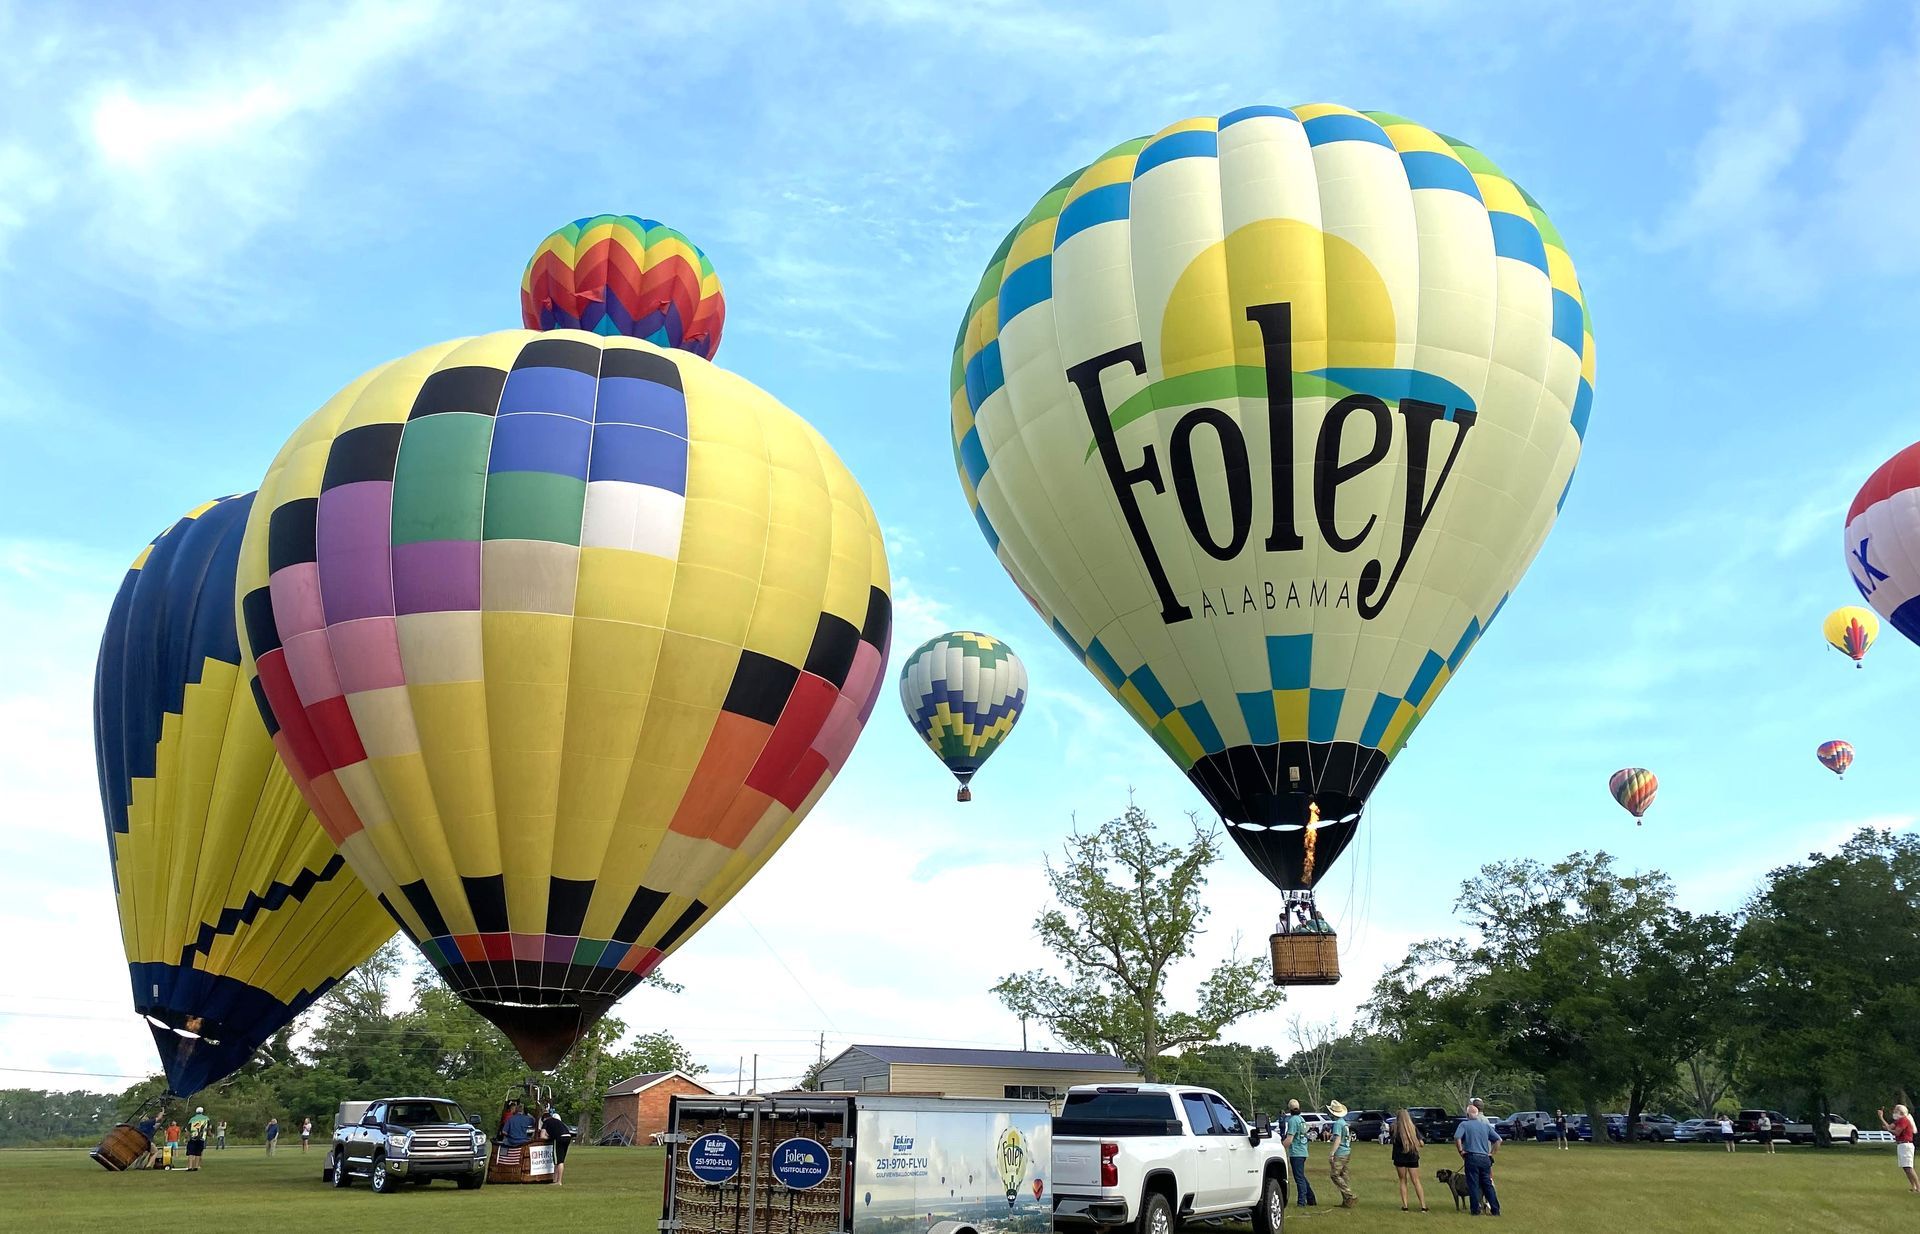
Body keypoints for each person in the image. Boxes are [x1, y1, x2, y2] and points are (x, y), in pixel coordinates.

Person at [1452, 1101, 1501, 1217]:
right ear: (1478, 1114)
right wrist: (1491, 1153)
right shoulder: (1485, 1126)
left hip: (1472, 1157)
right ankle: (1495, 1209)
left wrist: (1461, 1151)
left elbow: (1457, 1137)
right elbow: (1498, 1140)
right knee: (1487, 1184)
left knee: (1473, 1184)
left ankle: (1475, 1209)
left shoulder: (1464, 1125)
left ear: (1468, 1115)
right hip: (1485, 1158)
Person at [1282, 1099, 1317, 1208]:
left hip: (1296, 1152)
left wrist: (1281, 1147)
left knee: (1299, 1178)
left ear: (1290, 1109)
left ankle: (1301, 1202)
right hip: (1303, 1150)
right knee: (1301, 1176)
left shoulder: (1293, 1120)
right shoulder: (1301, 1119)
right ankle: (1311, 1199)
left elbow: (1290, 1138)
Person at [1390, 1109, 1427, 1213]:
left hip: (1399, 1157)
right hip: (1412, 1156)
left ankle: (1405, 1206)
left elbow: (1392, 1139)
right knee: (1416, 1181)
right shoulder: (1412, 1128)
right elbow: (1421, 1143)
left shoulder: (1394, 1128)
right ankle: (1423, 1206)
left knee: (1403, 1180)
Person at [1878, 1105, 1919, 1193]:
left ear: (1901, 1112)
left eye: (1896, 1110)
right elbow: (1889, 1127)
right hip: (1902, 1145)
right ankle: (1914, 1187)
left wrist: (1889, 1129)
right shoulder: (1898, 1121)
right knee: (1905, 1167)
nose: (1894, 1112)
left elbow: (1896, 1132)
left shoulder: (1903, 1120)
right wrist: (1881, 1117)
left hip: (1906, 1145)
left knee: (1909, 1167)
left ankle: (1918, 1187)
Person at [1325, 1100, 1355, 1208]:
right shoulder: (1344, 1123)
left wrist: (1332, 1153)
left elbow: (1337, 1139)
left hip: (1341, 1152)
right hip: (1347, 1151)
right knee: (1343, 1175)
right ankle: (1347, 1201)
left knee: (1335, 1175)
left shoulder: (1338, 1124)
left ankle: (1349, 1194)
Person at [541, 1105, 574, 1186]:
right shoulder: (557, 1121)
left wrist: (548, 1137)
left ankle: (559, 1181)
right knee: (559, 1160)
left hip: (559, 1138)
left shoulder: (546, 1122)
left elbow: (542, 1136)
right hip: (568, 1137)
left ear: (544, 1119)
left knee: (559, 1161)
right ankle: (555, 1180)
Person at [186, 1106, 210, 1171]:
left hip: (193, 1137)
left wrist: (187, 1138)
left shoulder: (192, 1119)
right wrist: (209, 1134)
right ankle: (196, 1166)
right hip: (201, 1138)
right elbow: (208, 1128)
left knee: (191, 1153)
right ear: (202, 1112)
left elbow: (188, 1130)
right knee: (198, 1152)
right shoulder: (206, 1118)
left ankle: (190, 1167)